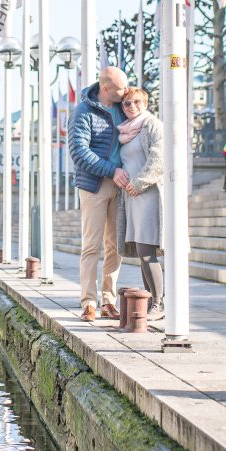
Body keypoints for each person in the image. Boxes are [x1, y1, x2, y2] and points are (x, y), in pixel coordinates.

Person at [68, 66, 130, 321]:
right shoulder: (83, 111)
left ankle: (108, 301)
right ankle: (88, 302)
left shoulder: (124, 107)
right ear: (105, 88)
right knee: (92, 245)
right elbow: (79, 152)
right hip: (94, 185)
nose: (126, 91)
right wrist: (111, 170)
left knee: (115, 246)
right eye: (121, 88)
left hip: (121, 186)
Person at [116, 87, 164, 320]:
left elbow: (159, 158)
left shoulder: (151, 125)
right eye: (127, 103)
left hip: (148, 195)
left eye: (137, 101)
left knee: (146, 252)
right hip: (131, 199)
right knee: (142, 252)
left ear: (145, 103)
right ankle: (149, 300)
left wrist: (139, 183)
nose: (132, 106)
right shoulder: (124, 132)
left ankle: (159, 304)